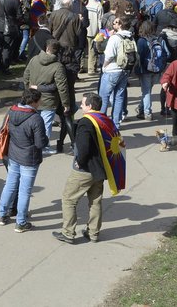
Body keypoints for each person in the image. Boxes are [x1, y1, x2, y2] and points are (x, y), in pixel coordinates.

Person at [53, 93, 117, 244]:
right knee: (95, 202)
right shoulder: (105, 120)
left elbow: (83, 148)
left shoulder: (86, 122)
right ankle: (93, 233)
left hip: (85, 170)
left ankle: (68, 233)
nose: (80, 106)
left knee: (69, 199)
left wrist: (79, 163)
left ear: (89, 106)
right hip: (100, 169)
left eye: (82, 104)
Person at [0, 87, 47, 233]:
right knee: (24, 191)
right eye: (39, 100)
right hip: (29, 159)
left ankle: (2, 214)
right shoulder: (36, 118)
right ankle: (21, 222)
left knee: (10, 185)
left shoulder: (11, 111)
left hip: (13, 155)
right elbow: (40, 143)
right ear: (35, 102)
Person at [23, 39, 70, 155]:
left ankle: (32, 145)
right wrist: (66, 103)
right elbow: (62, 86)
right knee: (45, 125)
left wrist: (29, 90)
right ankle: (43, 146)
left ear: (46, 48)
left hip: (33, 99)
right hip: (49, 100)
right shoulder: (58, 66)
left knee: (32, 123)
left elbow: (26, 76)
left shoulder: (34, 59)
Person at [99, 14, 135, 125]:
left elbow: (109, 55)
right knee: (119, 97)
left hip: (111, 71)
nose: (113, 24)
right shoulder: (130, 37)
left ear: (120, 25)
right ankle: (116, 123)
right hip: (124, 70)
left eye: (115, 22)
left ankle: (101, 123)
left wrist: (104, 66)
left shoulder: (115, 38)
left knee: (103, 97)